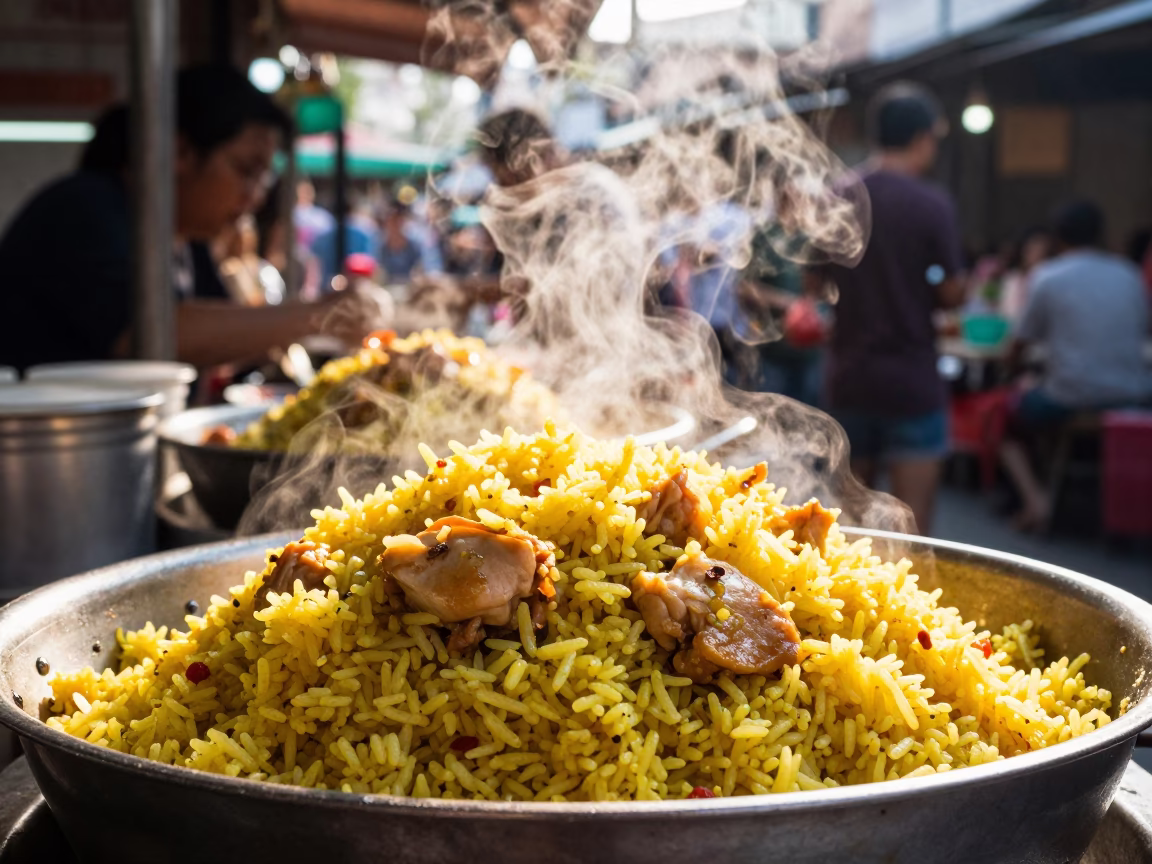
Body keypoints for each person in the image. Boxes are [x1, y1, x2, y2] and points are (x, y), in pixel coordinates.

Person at [0, 66, 381, 371]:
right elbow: (150, 336)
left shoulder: (185, 238)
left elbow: (220, 338)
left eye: (264, 176)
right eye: (246, 169)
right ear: (181, 152)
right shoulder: (85, 207)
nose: (256, 194)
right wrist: (321, 314)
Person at [821, 82, 966, 534]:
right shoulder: (931, 203)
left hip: (850, 377)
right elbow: (952, 293)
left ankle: (848, 606)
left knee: (851, 531)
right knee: (913, 533)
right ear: (923, 138)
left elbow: (814, 283)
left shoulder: (840, 195)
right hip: (911, 380)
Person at [998, 200, 1151, 530]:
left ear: (1057, 237)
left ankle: (1036, 501)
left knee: (1005, 417)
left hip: (1072, 396)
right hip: (1136, 393)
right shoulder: (1129, 275)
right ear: (1101, 234)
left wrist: (1014, 369)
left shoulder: (1048, 277)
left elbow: (1019, 344)